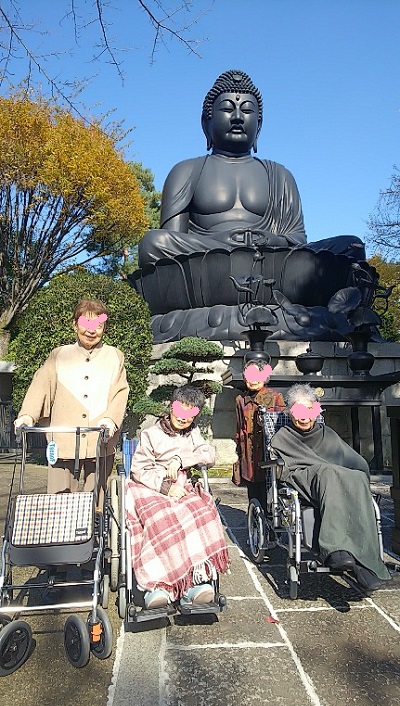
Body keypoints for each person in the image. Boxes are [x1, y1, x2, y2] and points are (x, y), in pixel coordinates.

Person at [139, 68, 364, 265]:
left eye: (247, 110)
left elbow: (297, 240)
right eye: (227, 109)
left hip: (272, 259)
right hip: (209, 263)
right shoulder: (187, 171)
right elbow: (172, 241)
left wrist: (269, 240)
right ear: (206, 122)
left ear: (259, 124)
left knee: (351, 247)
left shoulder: (280, 175)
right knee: (153, 242)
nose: (237, 117)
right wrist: (220, 242)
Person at [270, 383, 392, 593]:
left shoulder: (327, 434)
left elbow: (355, 461)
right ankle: (335, 550)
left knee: (354, 477)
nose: (304, 417)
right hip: (303, 477)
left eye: (310, 410)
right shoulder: (283, 437)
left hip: (330, 477)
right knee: (329, 472)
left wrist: (361, 480)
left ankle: (365, 563)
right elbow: (286, 467)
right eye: (299, 411)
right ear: (290, 412)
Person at [14, 298, 129, 502]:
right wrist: (27, 415)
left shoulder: (114, 356)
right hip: (63, 438)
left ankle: (95, 522)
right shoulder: (59, 354)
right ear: (75, 325)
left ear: (104, 327)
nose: (91, 330)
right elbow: (41, 386)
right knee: (59, 500)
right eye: (86, 324)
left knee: (97, 501)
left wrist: (111, 419)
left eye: (98, 325)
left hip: (100, 437)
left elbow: (121, 391)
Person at [126, 385, 230, 610]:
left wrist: (181, 460)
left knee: (200, 514)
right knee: (161, 518)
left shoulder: (193, 433)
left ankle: (193, 582)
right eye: (180, 410)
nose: (183, 418)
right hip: (150, 487)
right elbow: (139, 470)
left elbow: (208, 454)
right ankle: (159, 586)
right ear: (171, 407)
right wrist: (165, 487)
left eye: (190, 413)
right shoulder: (151, 434)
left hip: (182, 486)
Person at [232, 359, 285, 511]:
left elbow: (281, 425)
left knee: (269, 493)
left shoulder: (275, 397)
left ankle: (269, 520)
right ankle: (254, 519)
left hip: (267, 452)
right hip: (248, 455)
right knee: (252, 492)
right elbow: (239, 428)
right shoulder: (240, 400)